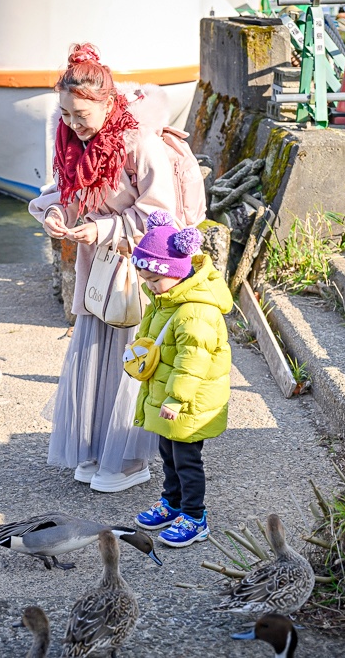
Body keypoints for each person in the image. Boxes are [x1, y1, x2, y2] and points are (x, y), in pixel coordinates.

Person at [28, 43, 202, 492]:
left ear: (109, 104)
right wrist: (56, 215)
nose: (71, 125)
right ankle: (94, 449)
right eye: (64, 114)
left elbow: (158, 217)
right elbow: (64, 193)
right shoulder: (72, 141)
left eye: (80, 116)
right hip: (96, 269)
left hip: (138, 269)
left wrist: (102, 229)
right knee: (94, 355)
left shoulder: (139, 145)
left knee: (130, 359)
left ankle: (128, 460)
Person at [129, 211, 232, 547]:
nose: (151, 287)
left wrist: (175, 399)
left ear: (174, 272)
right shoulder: (169, 300)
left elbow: (192, 362)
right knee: (168, 453)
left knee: (187, 461)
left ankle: (194, 516)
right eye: (146, 282)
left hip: (188, 400)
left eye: (154, 281)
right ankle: (171, 503)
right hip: (169, 396)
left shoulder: (195, 311)